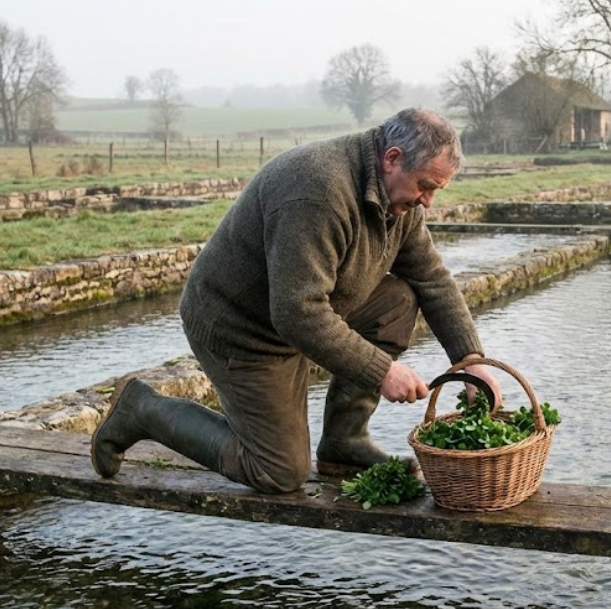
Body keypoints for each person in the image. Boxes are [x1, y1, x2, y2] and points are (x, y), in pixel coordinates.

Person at [90, 107, 502, 494]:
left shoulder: (399, 201)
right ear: (392, 158)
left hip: (300, 307)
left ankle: (344, 442)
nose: (428, 201)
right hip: (241, 327)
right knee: (279, 471)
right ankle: (141, 409)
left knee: (397, 300)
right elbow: (296, 312)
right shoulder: (317, 190)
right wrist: (382, 371)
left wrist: (472, 362)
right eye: (425, 186)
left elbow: (431, 278)